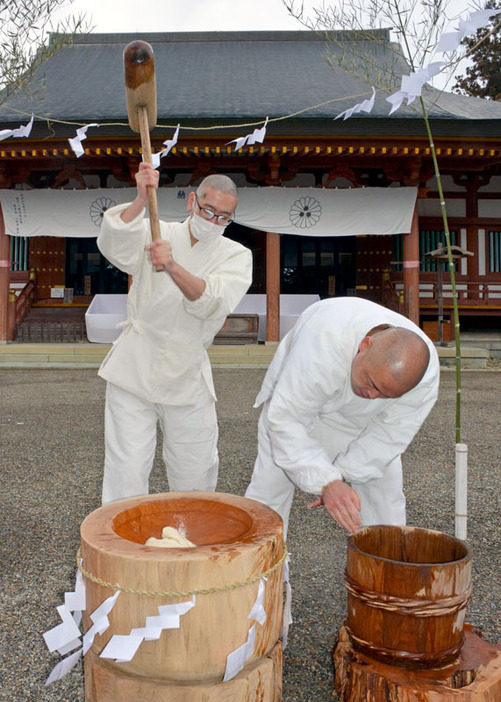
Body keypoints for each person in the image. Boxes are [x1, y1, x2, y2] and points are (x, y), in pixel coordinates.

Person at [97, 162, 252, 504]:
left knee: (194, 467)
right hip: (134, 363)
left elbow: (211, 301)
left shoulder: (237, 256)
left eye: (224, 217)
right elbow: (116, 246)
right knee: (127, 465)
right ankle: (122, 548)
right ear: (192, 202)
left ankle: (188, 539)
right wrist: (140, 199)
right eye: (208, 210)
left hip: (188, 371)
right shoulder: (159, 231)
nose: (213, 222)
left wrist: (171, 265)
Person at [245, 297, 440, 536]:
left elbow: (390, 434)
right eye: (371, 383)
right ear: (364, 345)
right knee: (269, 492)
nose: (371, 395)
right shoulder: (324, 339)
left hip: (360, 423)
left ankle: (383, 569)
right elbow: (287, 419)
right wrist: (326, 482)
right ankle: (262, 572)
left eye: (386, 395)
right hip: (293, 404)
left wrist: (342, 476)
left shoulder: (425, 375)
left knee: (385, 501)